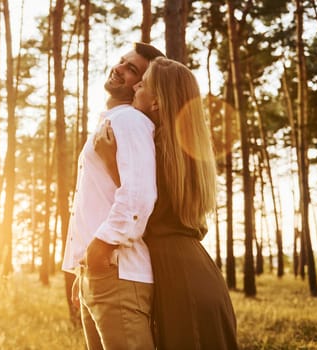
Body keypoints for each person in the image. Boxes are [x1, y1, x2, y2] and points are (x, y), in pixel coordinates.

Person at [94, 57, 239, 350]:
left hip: (176, 277)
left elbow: (140, 204)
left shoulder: (154, 151)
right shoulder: (185, 153)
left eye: (143, 83)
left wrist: (111, 163)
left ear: (157, 102)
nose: (136, 86)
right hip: (202, 271)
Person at [62, 42, 165, 350]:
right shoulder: (113, 121)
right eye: (122, 61)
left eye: (131, 69)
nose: (119, 68)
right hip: (100, 273)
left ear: (142, 86)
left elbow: (139, 195)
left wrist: (100, 249)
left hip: (119, 273)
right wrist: (83, 266)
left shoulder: (129, 121)